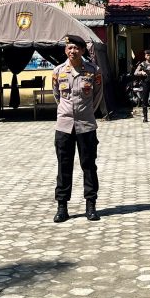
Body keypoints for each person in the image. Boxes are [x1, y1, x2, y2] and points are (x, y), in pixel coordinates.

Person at [52, 35, 104, 223]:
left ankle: (91, 205)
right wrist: (67, 113)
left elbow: (97, 96)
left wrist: (86, 112)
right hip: (64, 126)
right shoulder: (58, 71)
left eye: (76, 48)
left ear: (83, 51)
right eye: (69, 48)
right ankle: (62, 206)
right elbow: (57, 96)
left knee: (89, 165)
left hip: (86, 125)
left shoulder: (93, 71)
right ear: (66, 50)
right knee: (63, 166)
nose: (72, 51)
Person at [134, 49, 150, 122]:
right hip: (145, 84)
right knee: (144, 101)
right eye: (147, 55)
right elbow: (135, 73)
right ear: (145, 56)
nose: (149, 56)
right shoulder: (142, 64)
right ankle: (145, 118)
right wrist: (141, 72)